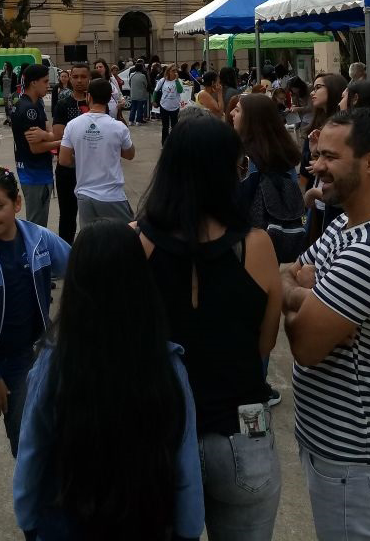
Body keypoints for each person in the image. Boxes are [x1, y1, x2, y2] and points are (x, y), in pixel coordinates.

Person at [134, 114, 283, 540]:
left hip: (160, 436)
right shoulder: (255, 246)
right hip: (240, 434)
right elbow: (265, 343)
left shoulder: (134, 243)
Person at [14, 221, 204, 541]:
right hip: (147, 524)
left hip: (65, 524)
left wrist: (28, 519)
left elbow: (33, 447)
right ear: (140, 283)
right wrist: (188, 531)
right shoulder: (167, 366)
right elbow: (186, 463)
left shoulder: (53, 363)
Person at [283, 109, 370, 541]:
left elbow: (304, 341)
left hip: (354, 456)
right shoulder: (345, 224)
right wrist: (307, 298)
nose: (316, 164)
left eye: (330, 156)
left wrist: (303, 299)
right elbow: (287, 272)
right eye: (317, 153)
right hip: (328, 442)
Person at [0, 166, 70, 458]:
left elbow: (79, 264)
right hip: (0, 363)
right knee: (24, 440)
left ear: (17, 203)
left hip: (39, 353)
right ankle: (31, 498)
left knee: (49, 433)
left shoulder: (39, 240)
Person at [233, 93, 304, 268]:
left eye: (237, 110)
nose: (231, 114)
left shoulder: (245, 159)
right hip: (283, 240)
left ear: (252, 119)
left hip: (249, 242)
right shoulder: (283, 152)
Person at [59, 77, 135, 225]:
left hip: (85, 196)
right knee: (125, 240)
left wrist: (82, 156)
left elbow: (64, 160)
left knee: (92, 242)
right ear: (108, 99)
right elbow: (130, 154)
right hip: (112, 196)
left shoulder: (73, 125)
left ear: (89, 96)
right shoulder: (118, 127)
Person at [299, 72, 348, 243]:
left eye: (318, 88)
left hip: (334, 202)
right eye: (313, 88)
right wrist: (314, 153)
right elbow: (306, 167)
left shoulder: (343, 126)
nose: (313, 92)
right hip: (318, 201)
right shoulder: (315, 124)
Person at [11, 63, 59, 227]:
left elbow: (46, 131)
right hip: (35, 174)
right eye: (45, 82)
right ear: (33, 83)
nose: (48, 85)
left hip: (32, 170)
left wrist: (47, 135)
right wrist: (62, 142)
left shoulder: (30, 103)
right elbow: (35, 147)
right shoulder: (28, 109)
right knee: (36, 226)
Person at [51, 62, 91, 245]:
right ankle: (65, 255)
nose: (79, 81)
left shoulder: (97, 103)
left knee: (92, 219)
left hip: (92, 170)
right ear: (69, 78)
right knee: (67, 216)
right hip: (67, 169)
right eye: (75, 77)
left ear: (89, 78)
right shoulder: (63, 104)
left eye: (83, 77)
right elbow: (59, 134)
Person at [153, 63, 185, 145]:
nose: (175, 72)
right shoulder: (162, 80)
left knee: (175, 127)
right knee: (165, 127)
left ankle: (175, 143)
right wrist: (154, 101)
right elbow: (155, 91)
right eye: (173, 70)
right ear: (168, 72)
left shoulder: (178, 81)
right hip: (164, 106)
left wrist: (177, 80)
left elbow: (180, 91)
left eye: (176, 70)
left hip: (175, 107)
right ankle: (164, 144)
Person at [128, 61, 149, 125]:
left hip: (133, 94)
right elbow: (146, 85)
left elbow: (130, 83)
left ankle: (131, 121)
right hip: (141, 95)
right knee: (140, 108)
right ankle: (138, 121)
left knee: (133, 108)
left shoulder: (132, 75)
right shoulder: (143, 76)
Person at [0, 61, 18, 126]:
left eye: (5, 65)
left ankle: (11, 119)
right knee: (6, 107)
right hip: (4, 92)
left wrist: (12, 93)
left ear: (8, 66)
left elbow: (15, 85)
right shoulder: (2, 74)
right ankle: (8, 118)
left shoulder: (13, 74)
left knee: (10, 106)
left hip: (10, 93)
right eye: (4, 65)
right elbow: (0, 83)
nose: (4, 66)